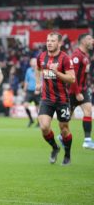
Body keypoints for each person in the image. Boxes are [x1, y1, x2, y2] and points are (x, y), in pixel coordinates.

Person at [35, 32, 75, 165]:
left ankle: (67, 155)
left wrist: (57, 72)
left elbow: (72, 78)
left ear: (59, 43)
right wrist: (38, 83)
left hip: (62, 100)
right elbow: (38, 68)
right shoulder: (41, 56)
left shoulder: (65, 58)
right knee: (44, 127)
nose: (49, 43)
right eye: (47, 40)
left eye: (52, 41)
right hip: (46, 98)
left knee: (64, 129)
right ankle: (55, 148)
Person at [67, 33, 94, 149]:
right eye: (89, 38)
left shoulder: (85, 55)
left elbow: (83, 75)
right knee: (66, 119)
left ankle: (87, 140)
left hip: (83, 89)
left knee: (88, 111)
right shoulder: (76, 56)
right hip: (72, 91)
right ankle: (63, 137)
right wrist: (77, 93)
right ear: (83, 41)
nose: (92, 40)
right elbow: (73, 77)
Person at [23, 57, 40, 127]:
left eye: (34, 61)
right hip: (29, 91)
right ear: (30, 63)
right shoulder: (28, 70)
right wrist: (24, 89)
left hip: (38, 91)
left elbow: (42, 81)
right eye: (32, 62)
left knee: (38, 108)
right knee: (25, 105)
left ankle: (39, 122)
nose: (33, 63)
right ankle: (31, 120)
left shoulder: (40, 70)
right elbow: (26, 80)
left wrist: (39, 89)